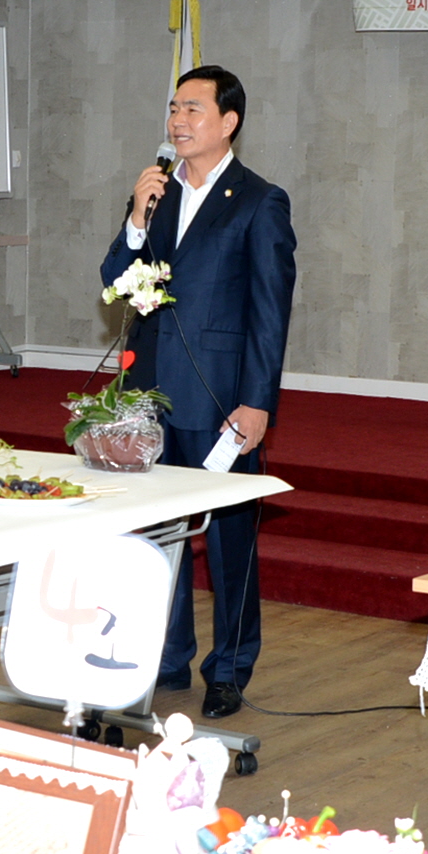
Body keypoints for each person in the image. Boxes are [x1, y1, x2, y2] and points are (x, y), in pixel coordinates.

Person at [99, 66, 297, 721]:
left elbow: (269, 312)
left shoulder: (259, 201)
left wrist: (257, 402)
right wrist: (136, 219)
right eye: (173, 108)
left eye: (192, 109)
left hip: (220, 399)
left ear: (228, 121)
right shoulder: (155, 194)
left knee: (230, 541)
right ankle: (167, 656)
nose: (177, 121)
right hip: (151, 395)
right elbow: (115, 281)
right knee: (159, 535)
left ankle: (229, 669)